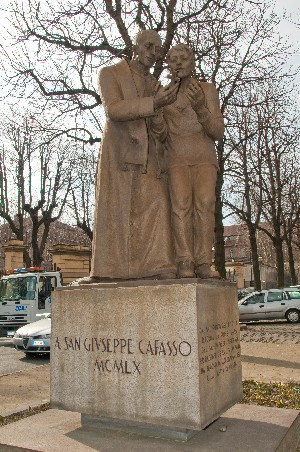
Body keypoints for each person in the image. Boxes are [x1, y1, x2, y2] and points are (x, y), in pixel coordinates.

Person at [81, 30, 178, 282]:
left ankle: (159, 265)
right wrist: (154, 103)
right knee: (117, 212)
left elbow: (161, 130)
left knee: (158, 203)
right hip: (121, 152)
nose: (153, 54)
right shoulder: (111, 74)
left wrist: (158, 113)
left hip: (150, 157)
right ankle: (110, 270)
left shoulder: (155, 85)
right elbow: (114, 109)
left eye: (157, 50)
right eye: (148, 46)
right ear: (134, 47)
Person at [152, 44, 224, 279]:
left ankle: (203, 261)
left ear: (193, 61)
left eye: (184, 58)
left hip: (203, 158)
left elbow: (217, 131)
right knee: (180, 207)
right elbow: (161, 136)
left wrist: (201, 107)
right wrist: (157, 112)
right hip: (176, 159)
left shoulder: (207, 89)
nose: (179, 63)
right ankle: (184, 260)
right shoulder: (164, 93)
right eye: (174, 60)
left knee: (205, 206)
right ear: (169, 65)